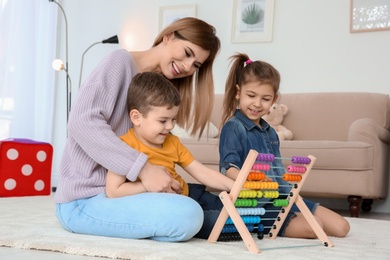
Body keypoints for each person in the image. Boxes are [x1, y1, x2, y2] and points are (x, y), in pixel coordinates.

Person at [54, 17, 221, 242]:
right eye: (188, 53)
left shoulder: (160, 88)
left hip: (125, 195)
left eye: (196, 65)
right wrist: (142, 168)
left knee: (195, 198)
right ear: (168, 36)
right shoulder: (119, 63)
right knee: (188, 214)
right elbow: (81, 122)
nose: (188, 66)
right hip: (85, 199)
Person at [219, 53, 350, 239]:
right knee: (315, 228)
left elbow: (276, 168)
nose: (257, 104)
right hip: (257, 206)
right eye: (251, 95)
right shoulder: (234, 127)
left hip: (281, 197)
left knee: (342, 227)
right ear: (238, 92)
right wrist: (252, 180)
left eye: (265, 98)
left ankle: (292, 214)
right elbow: (228, 168)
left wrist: (293, 194)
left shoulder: (270, 132)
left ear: (274, 99)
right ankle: (275, 224)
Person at [106, 71, 234, 238]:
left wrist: (235, 186)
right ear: (136, 117)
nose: (170, 126)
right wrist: (145, 186)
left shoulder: (172, 142)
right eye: (163, 120)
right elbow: (113, 191)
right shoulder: (124, 146)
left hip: (190, 192)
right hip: (171, 206)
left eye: (174, 119)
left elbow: (201, 172)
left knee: (234, 208)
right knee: (220, 223)